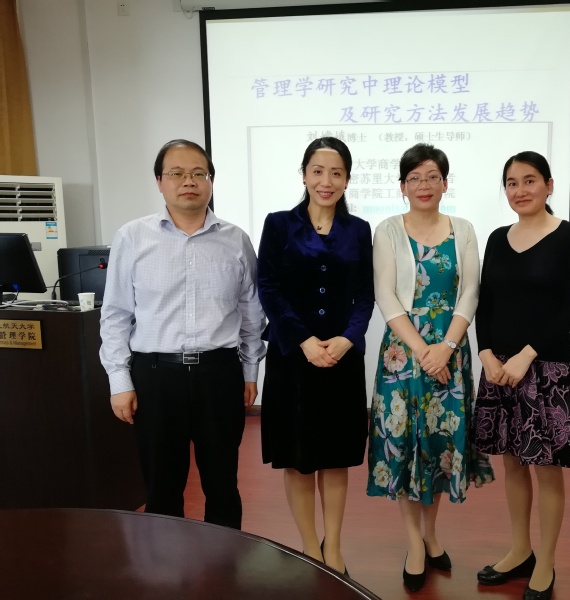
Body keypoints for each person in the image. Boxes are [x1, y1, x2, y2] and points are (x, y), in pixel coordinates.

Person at [100, 139, 266, 530]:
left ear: (210, 181)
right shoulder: (132, 237)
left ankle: (224, 559)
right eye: (176, 173)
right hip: (155, 376)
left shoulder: (236, 240)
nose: (188, 181)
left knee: (222, 484)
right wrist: (119, 381)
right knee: (162, 486)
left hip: (219, 374)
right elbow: (116, 314)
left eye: (197, 173)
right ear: (160, 181)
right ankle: (165, 561)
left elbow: (251, 314)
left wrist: (249, 373)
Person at [366, 143, 494, 593]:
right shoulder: (387, 230)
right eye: (415, 178)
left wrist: (447, 347)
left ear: (445, 182)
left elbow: (471, 292)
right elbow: (386, 295)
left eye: (432, 176)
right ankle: (413, 544)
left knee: (439, 445)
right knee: (404, 445)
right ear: (402, 186)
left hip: (451, 351)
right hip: (404, 355)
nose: (424, 185)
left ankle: (432, 535)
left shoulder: (464, 229)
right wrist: (425, 350)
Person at [473, 152, 570, 600]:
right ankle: (519, 549)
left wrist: (527, 354)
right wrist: (485, 352)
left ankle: (546, 560)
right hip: (500, 368)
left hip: (546, 367)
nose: (520, 190)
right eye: (511, 182)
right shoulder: (496, 238)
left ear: (549, 185)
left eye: (529, 180)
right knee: (512, 462)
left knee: (545, 467)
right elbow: (485, 302)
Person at [257, 137, 373, 574]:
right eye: (318, 171)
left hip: (342, 358)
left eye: (336, 173)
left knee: (336, 456)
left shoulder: (358, 229)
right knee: (300, 457)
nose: (327, 181)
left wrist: (348, 338)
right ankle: (309, 548)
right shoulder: (279, 224)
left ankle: (334, 547)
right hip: (292, 357)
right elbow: (268, 287)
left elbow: (365, 294)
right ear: (304, 175)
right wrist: (304, 340)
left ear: (347, 179)